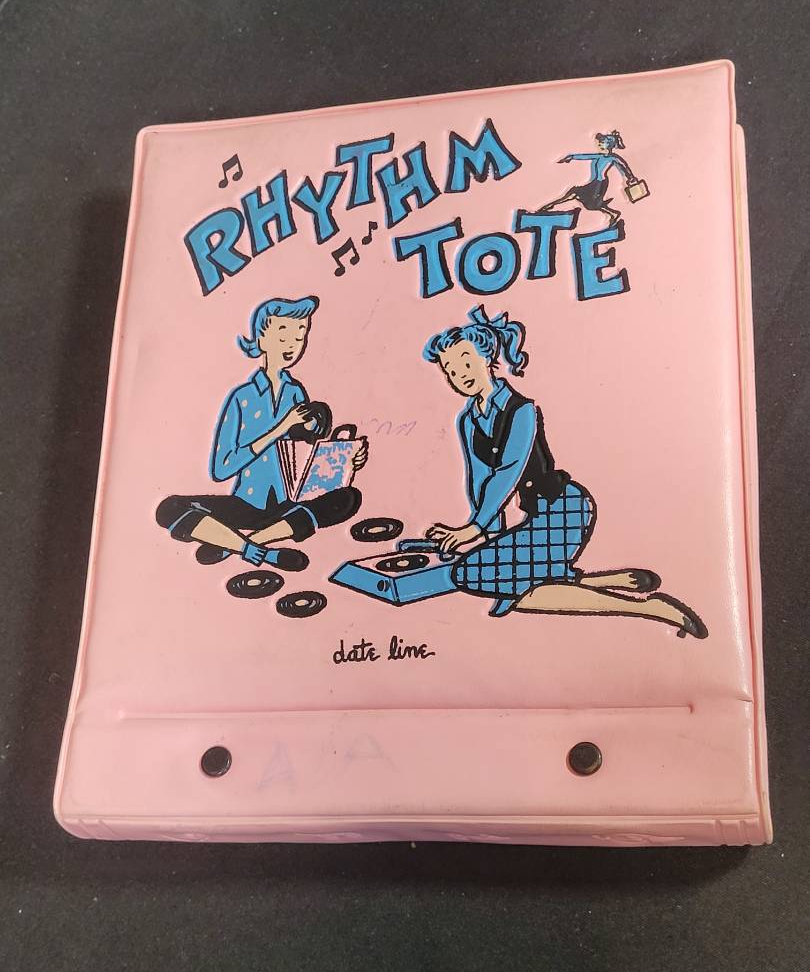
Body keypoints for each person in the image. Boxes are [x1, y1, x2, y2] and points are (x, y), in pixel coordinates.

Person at [422, 305, 707, 636]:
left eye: (466, 362)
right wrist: (485, 535)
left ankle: (647, 607)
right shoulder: (468, 419)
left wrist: (473, 530)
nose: (460, 375)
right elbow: (481, 479)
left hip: (563, 509)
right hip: (533, 519)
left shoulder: (522, 410)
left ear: (486, 357)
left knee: (475, 578)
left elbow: (508, 472)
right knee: (495, 574)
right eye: (450, 371)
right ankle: (599, 581)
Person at [156, 295, 366, 568]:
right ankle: (260, 552)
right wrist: (280, 428)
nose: (292, 345)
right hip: (246, 504)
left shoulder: (295, 392)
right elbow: (221, 469)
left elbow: (304, 457)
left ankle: (239, 544)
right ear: (261, 339)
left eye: (299, 336)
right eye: (283, 337)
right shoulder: (242, 398)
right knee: (169, 509)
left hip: (287, 507)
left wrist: (345, 461)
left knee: (347, 498)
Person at [540, 130, 636, 226]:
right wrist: (571, 157)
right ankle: (612, 213)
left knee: (586, 201)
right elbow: (585, 156)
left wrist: (631, 177)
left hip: (600, 183)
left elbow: (624, 166)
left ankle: (612, 213)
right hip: (595, 182)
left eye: (602, 143)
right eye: (599, 143)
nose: (599, 145)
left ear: (609, 145)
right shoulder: (600, 156)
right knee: (578, 196)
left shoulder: (613, 158)